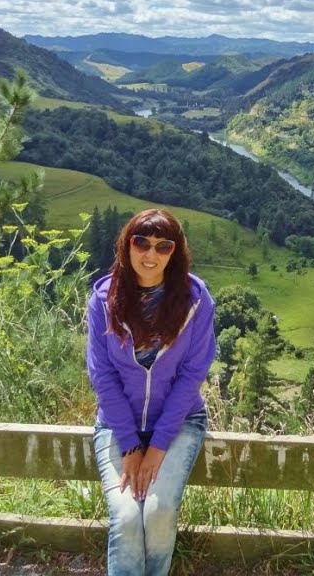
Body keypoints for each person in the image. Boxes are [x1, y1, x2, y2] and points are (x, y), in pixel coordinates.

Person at [86, 208, 217, 576]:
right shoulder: (103, 301)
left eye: (163, 246)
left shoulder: (196, 301)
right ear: (127, 245)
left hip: (179, 423)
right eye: (141, 242)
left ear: (175, 252)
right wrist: (130, 445)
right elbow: (103, 376)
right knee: (127, 517)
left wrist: (156, 448)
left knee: (158, 512)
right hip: (117, 424)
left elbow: (191, 376)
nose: (150, 254)